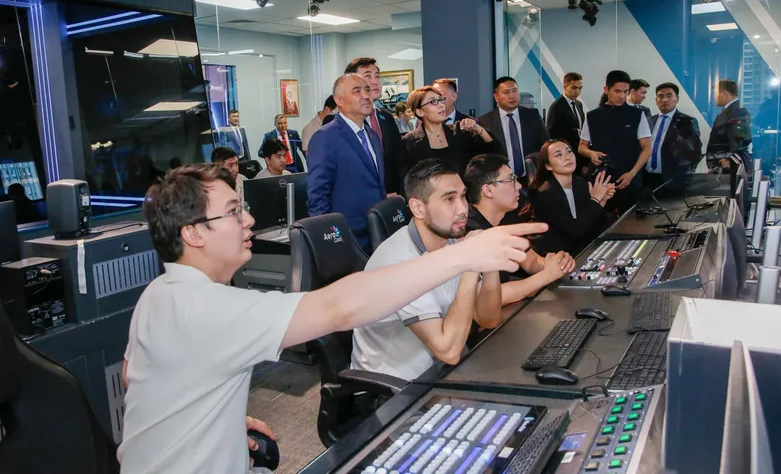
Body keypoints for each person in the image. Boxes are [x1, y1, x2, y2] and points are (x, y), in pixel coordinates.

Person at [119, 163, 540, 473]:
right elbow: (338, 308)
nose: (248, 219)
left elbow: (132, 375)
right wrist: (463, 257)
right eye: (233, 212)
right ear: (193, 233)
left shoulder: (161, 293)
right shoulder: (206, 308)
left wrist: (217, 419)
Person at [350, 159, 545, 380]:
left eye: (463, 196)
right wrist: (471, 262)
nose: (463, 209)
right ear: (418, 208)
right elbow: (448, 352)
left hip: (444, 369)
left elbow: (488, 318)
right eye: (449, 199)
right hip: (399, 388)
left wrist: (490, 263)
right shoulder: (400, 262)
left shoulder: (449, 239)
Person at [464, 154, 576, 305]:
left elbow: (529, 261)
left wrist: (557, 264)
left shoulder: (506, 218)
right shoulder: (470, 232)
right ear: (488, 190)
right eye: (510, 180)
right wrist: (547, 275)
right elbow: (491, 297)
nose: (518, 186)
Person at [307, 74, 385, 253]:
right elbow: (318, 194)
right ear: (339, 100)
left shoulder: (372, 135)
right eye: (357, 91)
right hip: (347, 234)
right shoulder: (325, 136)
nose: (365, 96)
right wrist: (328, 237)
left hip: (377, 229)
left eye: (367, 90)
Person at [578, 70, 652, 212]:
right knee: (598, 219)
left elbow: (647, 148)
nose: (622, 96)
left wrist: (632, 173)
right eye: (617, 91)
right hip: (600, 182)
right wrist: (592, 154)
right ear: (606, 90)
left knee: (630, 221)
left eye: (625, 91)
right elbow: (581, 147)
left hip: (630, 179)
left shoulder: (637, 115)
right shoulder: (592, 116)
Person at [530, 140, 616, 255]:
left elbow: (590, 224)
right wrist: (595, 199)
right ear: (548, 166)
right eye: (558, 155)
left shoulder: (580, 183)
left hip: (579, 248)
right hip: (555, 253)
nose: (567, 157)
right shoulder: (544, 194)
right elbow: (576, 230)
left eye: (569, 152)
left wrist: (602, 200)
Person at [343, 57, 408, 197]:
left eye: (377, 76)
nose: (374, 81)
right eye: (367, 76)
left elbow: (399, 161)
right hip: (361, 199)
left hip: (393, 197)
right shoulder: (343, 121)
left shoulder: (386, 117)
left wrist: (401, 194)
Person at [403, 86, 501, 174]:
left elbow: (494, 153)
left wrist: (479, 129)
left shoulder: (459, 132)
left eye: (441, 100)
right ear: (419, 112)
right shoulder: (409, 141)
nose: (441, 105)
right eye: (433, 101)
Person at [479, 77, 549, 181]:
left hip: (533, 178)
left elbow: (545, 145)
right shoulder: (485, 121)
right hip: (503, 180)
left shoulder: (532, 115)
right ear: (496, 97)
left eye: (515, 91)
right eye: (506, 92)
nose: (512, 96)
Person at [643, 82, 703, 189]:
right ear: (656, 100)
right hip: (648, 179)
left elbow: (695, 152)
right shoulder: (649, 121)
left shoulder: (687, 122)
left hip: (674, 180)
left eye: (669, 96)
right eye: (660, 96)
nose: (664, 100)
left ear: (677, 99)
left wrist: (684, 173)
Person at [707, 79, 753, 173]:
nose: (715, 97)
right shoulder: (729, 110)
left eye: (716, 94)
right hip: (726, 166)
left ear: (724, 93)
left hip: (732, 167)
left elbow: (740, 140)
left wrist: (724, 160)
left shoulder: (738, 111)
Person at [546, 72, 586, 169]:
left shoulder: (578, 104)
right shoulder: (557, 106)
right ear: (565, 87)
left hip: (580, 153)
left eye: (580, 88)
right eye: (574, 88)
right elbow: (552, 132)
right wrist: (576, 132)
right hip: (566, 154)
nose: (577, 91)